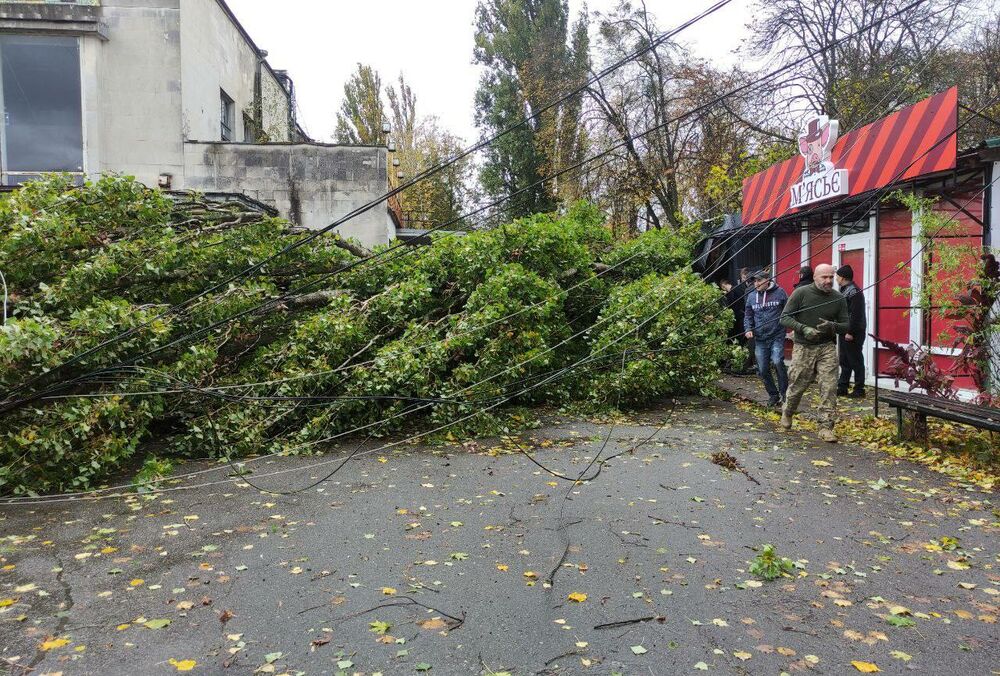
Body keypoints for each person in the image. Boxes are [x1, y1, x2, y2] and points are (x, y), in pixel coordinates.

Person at [779, 263, 849, 442]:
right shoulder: (801, 293)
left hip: (826, 346)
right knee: (798, 385)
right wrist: (803, 328)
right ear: (815, 277)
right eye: (824, 277)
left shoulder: (838, 298)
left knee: (829, 387)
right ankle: (788, 411)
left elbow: (846, 326)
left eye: (831, 277)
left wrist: (832, 326)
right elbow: (784, 317)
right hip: (804, 346)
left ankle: (826, 427)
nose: (828, 281)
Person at [744, 269, 789, 407]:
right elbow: (748, 315)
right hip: (760, 338)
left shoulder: (780, 292)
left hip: (777, 335)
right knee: (762, 368)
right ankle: (773, 395)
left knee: (777, 362)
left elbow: (788, 311)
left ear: (767, 280)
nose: (756, 283)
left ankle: (785, 394)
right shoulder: (751, 296)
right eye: (754, 281)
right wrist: (748, 329)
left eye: (759, 280)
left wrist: (788, 327)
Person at [835, 264, 867, 398]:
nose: (836, 278)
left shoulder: (854, 292)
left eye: (837, 276)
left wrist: (850, 332)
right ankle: (843, 386)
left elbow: (856, 314)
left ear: (842, 278)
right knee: (844, 360)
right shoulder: (844, 290)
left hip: (853, 332)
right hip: (844, 330)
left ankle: (859, 389)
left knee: (855, 360)